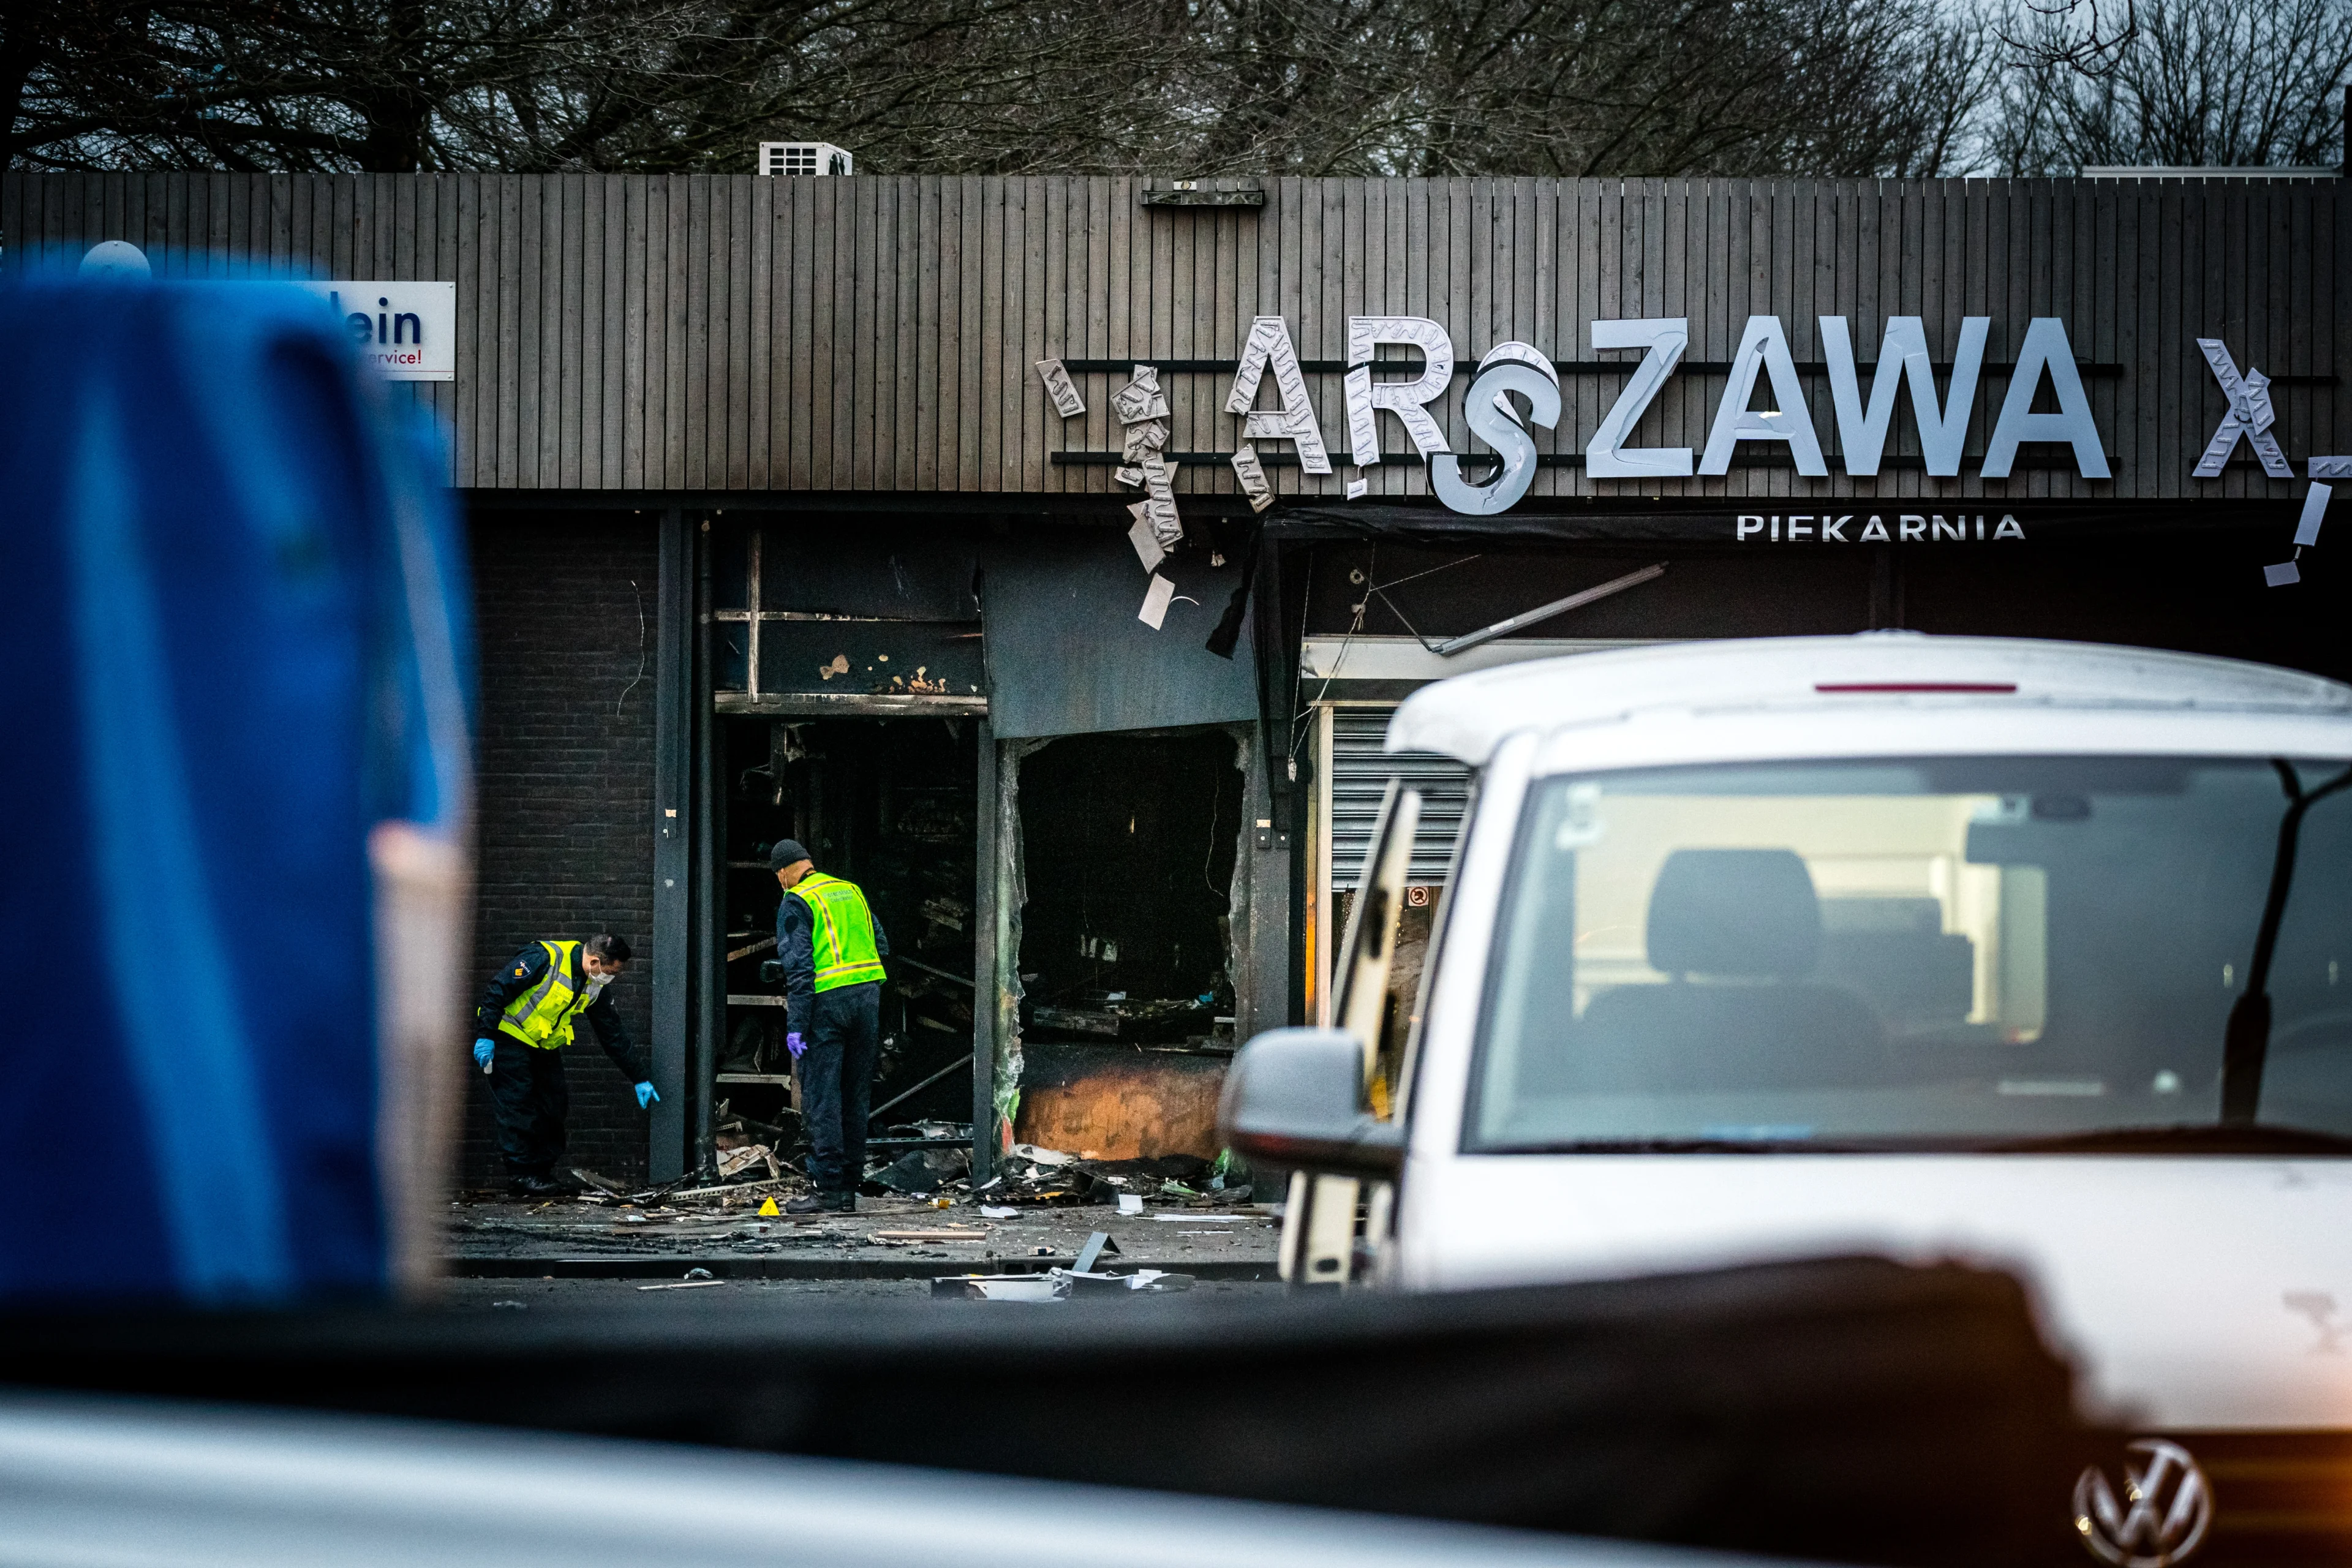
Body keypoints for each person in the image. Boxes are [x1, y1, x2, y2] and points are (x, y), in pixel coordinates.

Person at [472, 933, 658, 1197]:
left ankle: (540, 1174)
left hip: (542, 1045)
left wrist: (639, 1076)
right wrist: (485, 1036)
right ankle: (522, 1176)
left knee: (554, 1106)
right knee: (518, 1105)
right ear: (594, 962)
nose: (611, 979)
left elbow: (612, 1033)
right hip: (508, 1037)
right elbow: (497, 990)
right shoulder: (543, 959)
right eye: (610, 972)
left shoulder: (595, 986)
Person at [769, 840, 888, 1214]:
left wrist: (796, 1026)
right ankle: (848, 1191)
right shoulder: (851, 891)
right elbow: (881, 945)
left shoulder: (796, 900)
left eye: (778, 877)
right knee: (855, 1097)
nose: (780, 883)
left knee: (822, 1099)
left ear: (786, 871)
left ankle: (826, 1190)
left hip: (826, 1006)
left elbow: (800, 970)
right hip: (867, 1000)